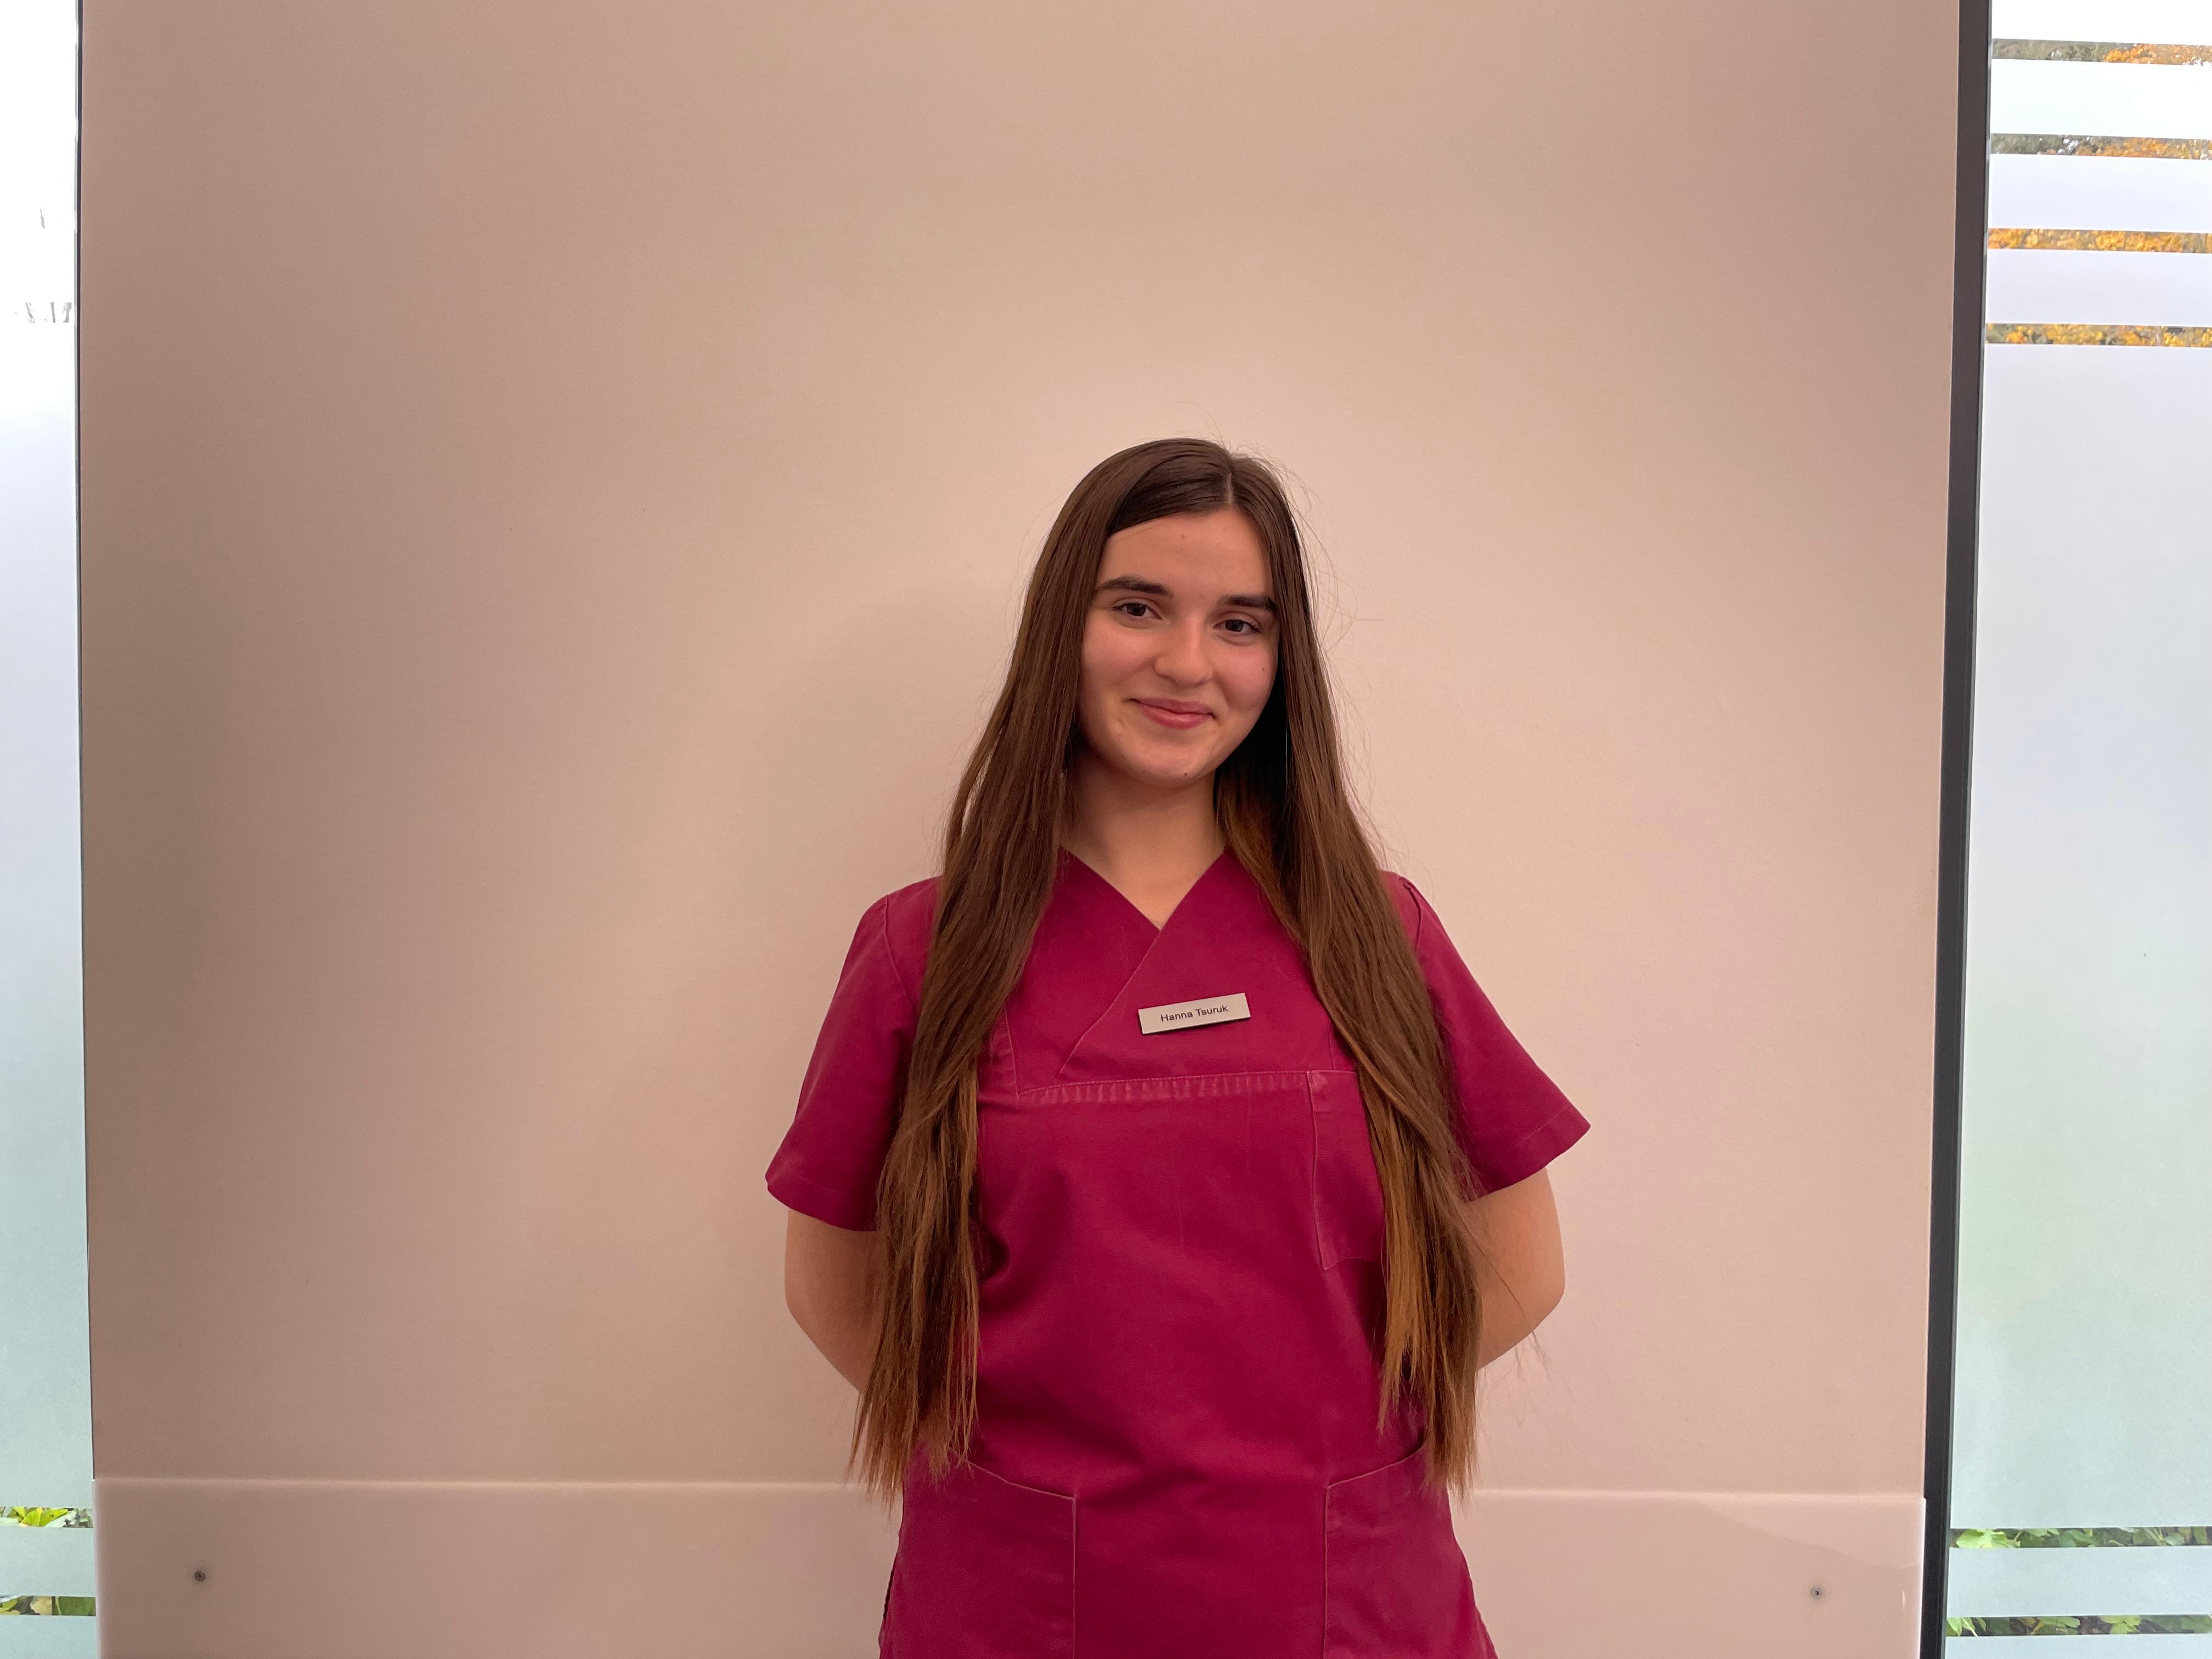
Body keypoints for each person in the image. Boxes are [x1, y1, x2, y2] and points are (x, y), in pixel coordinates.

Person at [765, 437, 1590, 1658]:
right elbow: (833, 1283)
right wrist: (1025, 1457)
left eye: (1239, 624)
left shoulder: (1376, 934)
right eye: (1139, 607)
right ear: (1063, 626)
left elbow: (1521, 1260)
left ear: (1280, 662)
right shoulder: (922, 951)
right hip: (1023, 1602)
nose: (1188, 662)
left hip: (1345, 1599)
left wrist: (1318, 1435)